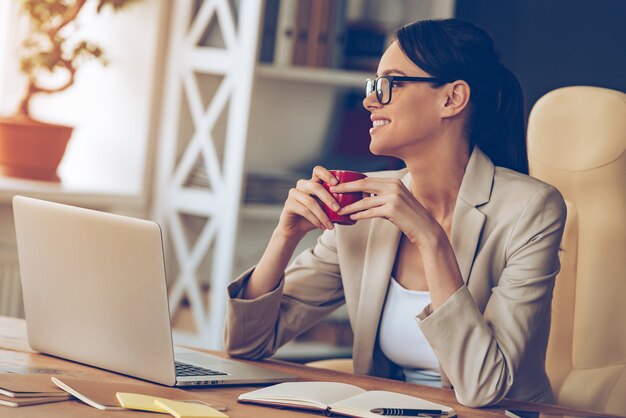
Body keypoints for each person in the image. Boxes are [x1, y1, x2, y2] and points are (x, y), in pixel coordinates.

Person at [224, 18, 566, 407]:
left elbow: (483, 386)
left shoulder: (532, 210)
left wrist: (431, 238)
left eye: (390, 84)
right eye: (373, 85)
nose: (370, 100)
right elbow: (246, 344)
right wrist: (284, 237)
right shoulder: (364, 204)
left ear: (452, 98)